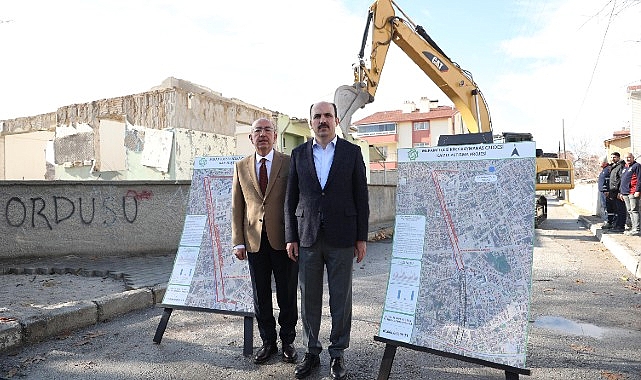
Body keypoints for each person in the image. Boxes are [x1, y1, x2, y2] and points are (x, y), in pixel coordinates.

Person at [285, 101, 369, 380]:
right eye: (317, 116)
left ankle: (338, 353)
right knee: (308, 299)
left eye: (328, 116)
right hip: (307, 236)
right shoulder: (297, 154)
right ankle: (311, 351)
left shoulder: (352, 153)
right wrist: (291, 237)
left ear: (335, 121)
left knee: (341, 300)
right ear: (310, 122)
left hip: (342, 237)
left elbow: (361, 197)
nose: (323, 120)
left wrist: (361, 238)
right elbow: (290, 200)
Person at [231, 118, 298, 364]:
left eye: (267, 130)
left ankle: (288, 341)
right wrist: (238, 241)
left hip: (285, 241)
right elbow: (237, 206)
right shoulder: (241, 166)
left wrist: (297, 237)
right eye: (257, 130)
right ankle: (268, 341)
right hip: (254, 242)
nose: (262, 134)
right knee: (261, 294)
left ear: (275, 135)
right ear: (251, 137)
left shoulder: (289, 163)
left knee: (287, 293)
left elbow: (295, 203)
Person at [618, 152, 641, 236]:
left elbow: (639, 179)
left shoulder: (637, 166)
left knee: (634, 210)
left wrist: (638, 190)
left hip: (633, 192)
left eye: (629, 157)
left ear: (633, 158)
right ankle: (633, 228)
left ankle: (637, 229)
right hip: (625, 193)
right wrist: (620, 192)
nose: (627, 159)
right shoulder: (625, 168)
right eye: (626, 157)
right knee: (629, 211)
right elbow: (622, 181)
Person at [606, 152, 627, 233]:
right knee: (616, 210)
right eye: (611, 157)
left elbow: (622, 180)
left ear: (618, 158)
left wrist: (620, 192)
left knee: (621, 210)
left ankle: (621, 226)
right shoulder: (613, 166)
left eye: (614, 157)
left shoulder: (621, 166)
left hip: (618, 192)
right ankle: (617, 225)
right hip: (613, 192)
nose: (612, 159)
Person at [597, 156, 611, 226]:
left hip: (605, 192)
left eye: (600, 162)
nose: (599, 163)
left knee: (606, 206)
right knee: (604, 206)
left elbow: (608, 180)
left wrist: (606, 190)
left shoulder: (607, 169)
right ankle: (606, 220)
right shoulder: (604, 170)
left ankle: (608, 221)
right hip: (602, 191)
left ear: (605, 163)